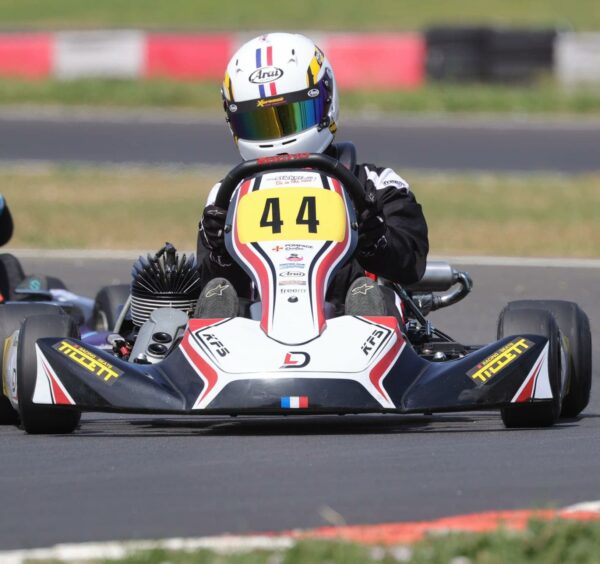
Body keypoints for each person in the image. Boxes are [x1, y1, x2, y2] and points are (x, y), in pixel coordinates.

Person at [197, 32, 428, 314]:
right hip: (255, 330)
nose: (278, 137)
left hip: (354, 325)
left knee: (376, 298)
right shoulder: (227, 197)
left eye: (292, 116)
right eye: (260, 123)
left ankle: (366, 309)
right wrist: (220, 251)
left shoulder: (376, 185)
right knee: (216, 303)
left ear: (326, 100)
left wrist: (374, 238)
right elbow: (214, 286)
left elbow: (411, 265)